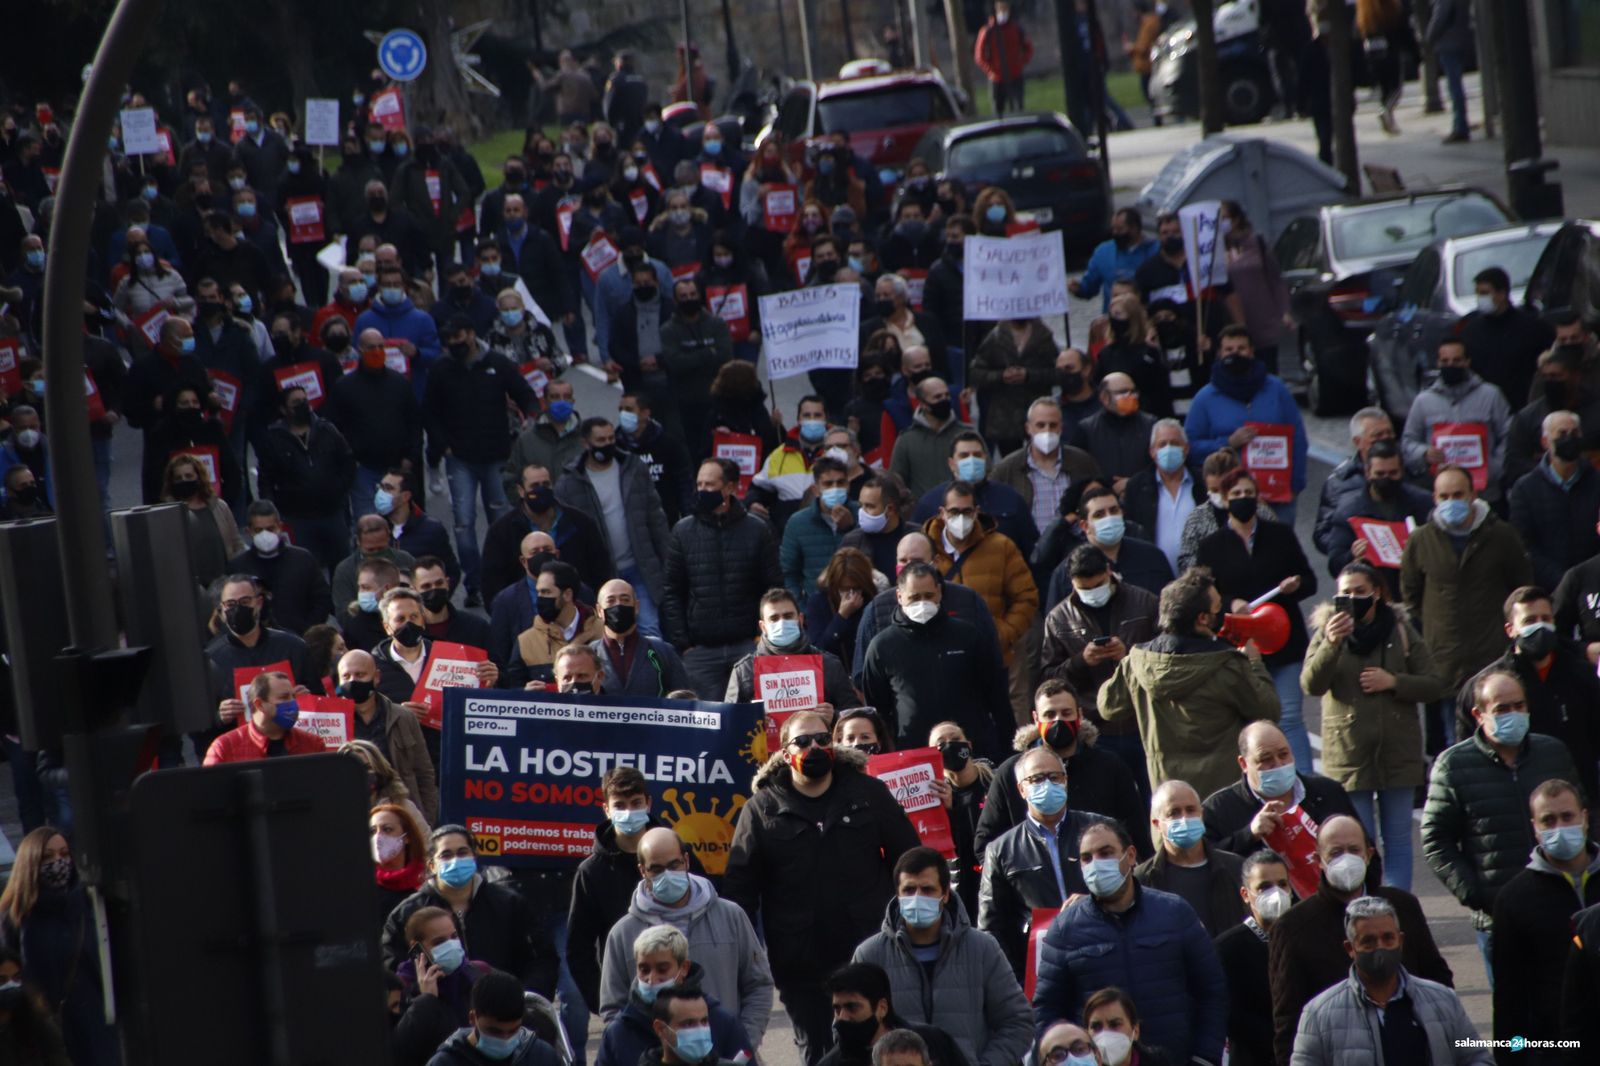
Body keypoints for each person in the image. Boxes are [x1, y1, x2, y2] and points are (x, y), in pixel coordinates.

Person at [723, 710, 921, 1065]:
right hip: (801, 963)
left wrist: (906, 921)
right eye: (802, 741)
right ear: (785, 753)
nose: (814, 746)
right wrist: (745, 956)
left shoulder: (868, 793)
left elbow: (908, 860)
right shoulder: (761, 809)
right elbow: (741, 891)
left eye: (821, 739)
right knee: (817, 1053)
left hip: (869, 949)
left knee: (879, 1047)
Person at [1424, 668, 1582, 984]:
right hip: (1501, 920)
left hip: (1565, 911)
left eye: (1519, 706)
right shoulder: (1454, 766)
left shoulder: (1552, 753)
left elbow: (1583, 812)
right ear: (1479, 715)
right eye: (1502, 709)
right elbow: (1435, 839)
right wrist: (1476, 893)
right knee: (1518, 1023)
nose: (1513, 715)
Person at [1033, 817, 1227, 1064]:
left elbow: (1212, 989)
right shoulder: (1065, 928)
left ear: (1131, 855)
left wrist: (1205, 1056)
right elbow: (1047, 1009)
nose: (1096, 864)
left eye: (1106, 853)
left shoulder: (1175, 913)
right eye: (1086, 858)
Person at [1268, 813, 1455, 1062]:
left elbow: (1436, 977)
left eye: (1353, 850)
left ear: (1368, 855)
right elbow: (1287, 1019)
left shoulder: (1403, 906)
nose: (1346, 859)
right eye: (1335, 853)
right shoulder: (1293, 928)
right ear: (1318, 860)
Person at [1098, 567, 1279, 801]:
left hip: (1170, 801)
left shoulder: (1137, 661)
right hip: (1226, 802)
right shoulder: (1228, 664)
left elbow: (1108, 706)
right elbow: (1269, 711)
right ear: (1203, 619)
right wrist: (1255, 663)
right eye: (1217, 608)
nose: (1223, 612)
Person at [852, 846, 1033, 1066]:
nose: (917, 898)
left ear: (945, 894)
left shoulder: (982, 949)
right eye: (909, 890)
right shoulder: (870, 955)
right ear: (897, 895)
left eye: (927, 889)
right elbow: (849, 1031)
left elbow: (1017, 1022)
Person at [1400, 466, 1533, 752]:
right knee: (1455, 742)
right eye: (1444, 496)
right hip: (1446, 661)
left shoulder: (1501, 536)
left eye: (1458, 494)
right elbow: (1411, 594)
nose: (1451, 502)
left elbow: (1521, 587)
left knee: (1502, 737)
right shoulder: (1421, 540)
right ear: (1434, 498)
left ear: (1474, 494)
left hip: (1492, 657)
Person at [597, 829, 773, 1043]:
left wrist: (743, 1041)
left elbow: (758, 984)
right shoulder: (623, 934)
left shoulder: (731, 916)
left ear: (686, 861)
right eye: (657, 869)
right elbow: (613, 1008)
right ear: (643, 871)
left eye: (674, 865)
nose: (667, 875)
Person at [1196, 468, 1318, 770]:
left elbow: (1309, 580)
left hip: (1283, 640)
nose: (1243, 499)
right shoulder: (1212, 545)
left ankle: (1303, 782)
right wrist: (1229, 602)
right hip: (1238, 646)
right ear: (1224, 500)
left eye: (1249, 493)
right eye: (1236, 494)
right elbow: (1200, 594)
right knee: (1247, 720)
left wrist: (1295, 585)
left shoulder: (1280, 535)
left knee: (1289, 716)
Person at [425, 316, 538, 606]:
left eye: (459, 335)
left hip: (498, 456)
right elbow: (430, 411)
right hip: (460, 458)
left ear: (472, 333)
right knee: (463, 523)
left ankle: (508, 579)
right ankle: (474, 584)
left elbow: (525, 394)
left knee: (502, 522)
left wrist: (531, 419)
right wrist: (443, 446)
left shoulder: (498, 363)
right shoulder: (440, 369)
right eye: (449, 339)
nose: (455, 343)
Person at [1298, 898, 1493, 1065]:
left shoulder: (1443, 1000)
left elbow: (1476, 1057)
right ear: (1350, 948)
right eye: (1368, 941)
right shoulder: (1319, 1014)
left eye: (1388, 938)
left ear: (1400, 941)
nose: (1380, 947)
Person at [975, 676, 1150, 860]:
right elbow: (986, 844)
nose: (1058, 721)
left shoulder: (1110, 767)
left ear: (1080, 715)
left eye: (1066, 713)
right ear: (1035, 718)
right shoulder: (1011, 772)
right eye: (1049, 715)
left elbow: (1136, 835)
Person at [1488, 781, 1599, 1057]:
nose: (1559, 828)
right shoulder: (1514, 899)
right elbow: (1510, 995)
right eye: (1548, 820)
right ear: (1535, 828)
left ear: (1585, 818)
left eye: (1567, 817)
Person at [976, 746, 1107, 978]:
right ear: (1021, 789)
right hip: (1041, 972)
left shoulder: (1102, 831)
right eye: (1036, 779)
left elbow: (1135, 889)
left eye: (1055, 777)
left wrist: (1095, 902)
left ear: (1065, 781)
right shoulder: (1000, 850)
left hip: (1104, 954)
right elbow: (992, 928)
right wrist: (1016, 979)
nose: (1047, 784)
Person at [384, 826, 557, 998]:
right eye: (446, 855)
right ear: (432, 865)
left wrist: (522, 1000)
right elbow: (391, 968)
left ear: (474, 858)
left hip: (500, 1012)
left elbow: (541, 960)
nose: (455, 860)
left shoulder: (509, 904)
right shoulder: (407, 914)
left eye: (462, 852)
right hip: (436, 1015)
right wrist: (421, 997)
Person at [861, 562, 1012, 758]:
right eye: (914, 598)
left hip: (972, 750)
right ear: (899, 596)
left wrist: (1009, 749)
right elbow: (878, 710)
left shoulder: (968, 636)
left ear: (939, 593)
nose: (922, 603)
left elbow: (996, 696)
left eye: (928, 596)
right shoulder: (882, 646)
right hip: (915, 756)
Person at [663, 458, 785, 699]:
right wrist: (684, 644)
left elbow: (773, 586)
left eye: (709, 484)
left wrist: (762, 637)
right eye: (699, 484)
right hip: (700, 652)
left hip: (749, 646)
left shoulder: (757, 529)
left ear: (730, 488)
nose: (702, 490)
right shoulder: (682, 531)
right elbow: (672, 591)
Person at [0, 828, 121, 1065]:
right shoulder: (16, 918)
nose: (58, 862)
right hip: (42, 1036)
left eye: (64, 854)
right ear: (31, 862)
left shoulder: (90, 904)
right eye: (48, 857)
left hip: (97, 1031)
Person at [926, 479, 1039, 718]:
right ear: (942, 513)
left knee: (1010, 718)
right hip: (945, 657)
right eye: (954, 511)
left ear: (977, 512)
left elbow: (1026, 597)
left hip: (1000, 655)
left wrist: (1004, 633)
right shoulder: (925, 548)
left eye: (967, 511)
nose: (961, 518)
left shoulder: (1001, 546)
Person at [555, 417, 672, 638]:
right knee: (610, 635)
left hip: (640, 567)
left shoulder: (633, 469)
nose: (607, 444)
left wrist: (666, 559)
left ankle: (653, 671)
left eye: (611, 438)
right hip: (601, 575)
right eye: (600, 440)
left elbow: (655, 517)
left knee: (649, 630)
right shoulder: (570, 484)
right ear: (586, 443)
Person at [1183, 326, 1307, 526]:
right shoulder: (1205, 398)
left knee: (1279, 553)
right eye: (1229, 350)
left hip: (1276, 496)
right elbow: (1190, 448)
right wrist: (1228, 442)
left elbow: (1298, 439)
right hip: (1229, 498)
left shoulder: (1277, 389)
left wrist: (1296, 484)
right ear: (1219, 354)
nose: (1235, 354)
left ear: (1251, 351)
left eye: (1241, 349)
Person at [851, 533, 1006, 692]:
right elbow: (862, 676)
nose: (909, 567)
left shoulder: (969, 601)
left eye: (917, 561)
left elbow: (992, 664)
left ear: (936, 562)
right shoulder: (877, 609)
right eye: (903, 561)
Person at [596, 928, 756, 1066]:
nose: (652, 979)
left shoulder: (722, 1022)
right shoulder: (619, 1033)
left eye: (662, 969)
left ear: (684, 968)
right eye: (644, 970)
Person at [1201, 721, 1358, 861]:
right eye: (1265, 759)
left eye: (1283, 754)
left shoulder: (1328, 792)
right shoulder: (1218, 809)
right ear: (1244, 764)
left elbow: (1365, 850)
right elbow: (1204, 861)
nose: (1278, 764)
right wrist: (1249, 835)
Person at [324, 328, 424, 524]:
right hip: (363, 469)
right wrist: (349, 460)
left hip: (396, 468)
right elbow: (333, 427)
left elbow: (414, 422)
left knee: (400, 521)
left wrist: (411, 457)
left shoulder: (399, 383)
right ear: (360, 349)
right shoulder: (345, 386)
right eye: (371, 347)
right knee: (368, 522)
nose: (377, 351)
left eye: (381, 347)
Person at [253, 384, 355, 573]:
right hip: (297, 517)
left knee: (342, 568)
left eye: (304, 400)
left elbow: (347, 462)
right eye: (296, 403)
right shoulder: (274, 439)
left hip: (331, 512)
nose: (302, 406)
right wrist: (273, 509)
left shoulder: (326, 429)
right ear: (284, 409)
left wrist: (338, 489)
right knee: (307, 569)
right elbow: (266, 478)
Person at [1401, 339, 1514, 504]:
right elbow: (1408, 442)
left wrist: (1492, 469)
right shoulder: (1423, 401)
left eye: (1457, 360)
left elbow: (1508, 436)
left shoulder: (1491, 395)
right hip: (1443, 495)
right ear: (1438, 363)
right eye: (1445, 361)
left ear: (1467, 362)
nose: (1451, 365)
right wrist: (1424, 453)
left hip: (1486, 494)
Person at [484, 463, 611, 607]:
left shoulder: (580, 523)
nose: (541, 489)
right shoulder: (502, 531)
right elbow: (492, 584)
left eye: (546, 484)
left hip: (578, 612)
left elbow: (601, 569)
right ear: (521, 490)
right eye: (534, 486)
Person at [1132, 778, 1245, 937]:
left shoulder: (1236, 867)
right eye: (1174, 813)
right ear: (1157, 824)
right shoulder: (1142, 879)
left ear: (1201, 815)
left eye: (1191, 810)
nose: (1184, 819)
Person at [1212, 850, 1293, 1066]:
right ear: (1245, 894)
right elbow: (1231, 1013)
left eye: (1282, 884)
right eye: (1264, 887)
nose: (1276, 893)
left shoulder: (1305, 936)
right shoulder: (1228, 948)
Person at [1319, 439, 1432, 595]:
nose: (1386, 479)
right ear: (1368, 473)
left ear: (1402, 471)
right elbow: (1335, 565)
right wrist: (1351, 556)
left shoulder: (1423, 504)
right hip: (1367, 598)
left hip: (1415, 593)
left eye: (1393, 473)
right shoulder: (1349, 510)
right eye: (1380, 474)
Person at [338, 649, 438, 823]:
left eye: (360, 675)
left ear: (376, 677)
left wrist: (425, 818)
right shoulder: (333, 722)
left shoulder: (403, 718)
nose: (353, 681)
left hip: (401, 813)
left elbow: (424, 773)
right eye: (346, 677)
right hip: (350, 816)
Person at [204, 573, 314, 727]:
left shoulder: (293, 647)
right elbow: (199, 725)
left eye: (245, 601)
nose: (238, 609)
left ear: (259, 603)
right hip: (240, 747)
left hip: (291, 743)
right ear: (221, 609)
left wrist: (307, 700)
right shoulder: (210, 659)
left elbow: (321, 702)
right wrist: (220, 716)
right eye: (230, 604)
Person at [910, 432, 1039, 559]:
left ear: (985, 459)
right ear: (951, 463)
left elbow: (1030, 550)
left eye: (977, 455)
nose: (971, 460)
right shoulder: (930, 503)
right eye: (964, 456)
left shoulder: (1010, 499)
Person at [726, 588, 858, 710]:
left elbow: (854, 714)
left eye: (788, 616)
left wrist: (833, 716)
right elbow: (729, 724)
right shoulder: (745, 671)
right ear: (763, 627)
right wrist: (750, 720)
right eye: (774, 618)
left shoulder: (829, 664)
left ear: (800, 620)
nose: (782, 623)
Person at [1509, 411, 1600, 589]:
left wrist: (1587, 576)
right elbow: (1524, 545)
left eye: (1574, 433)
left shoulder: (1597, 483)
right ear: (1545, 442)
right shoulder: (1525, 489)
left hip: (1593, 585)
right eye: (1562, 434)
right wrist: (1563, 580)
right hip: (1547, 588)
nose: (1569, 439)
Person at [991, 398, 1103, 541]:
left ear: (1061, 428)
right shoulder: (1007, 469)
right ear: (1028, 428)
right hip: (1029, 552)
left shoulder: (1083, 463)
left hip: (1075, 549)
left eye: (1053, 425)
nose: (1047, 431)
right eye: (1040, 425)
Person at [1046, 484, 1174, 609]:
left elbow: (1171, 607)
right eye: (1099, 515)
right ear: (1084, 526)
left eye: (1114, 511)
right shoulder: (1067, 572)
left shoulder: (1152, 557)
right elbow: (1057, 623)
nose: (1109, 518)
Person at [819, 963, 970, 1066]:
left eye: (852, 1007)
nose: (843, 1017)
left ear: (882, 1007)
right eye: (837, 1009)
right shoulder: (832, 1063)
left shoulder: (933, 1041)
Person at [228, 501, 334, 636]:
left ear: (280, 527)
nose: (265, 535)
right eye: (259, 530)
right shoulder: (238, 567)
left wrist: (308, 630)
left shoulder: (303, 559)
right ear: (249, 531)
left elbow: (322, 599)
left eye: (270, 529)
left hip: (301, 638)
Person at [426, 968, 564, 1066]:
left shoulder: (542, 1056)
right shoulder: (445, 1062)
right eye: (494, 1031)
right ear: (473, 1018)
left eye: (513, 1030)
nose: (505, 1039)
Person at [1215, 202, 1291, 375]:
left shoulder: (1256, 243)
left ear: (1235, 220)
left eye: (1224, 219)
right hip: (1235, 325)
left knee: (1268, 371)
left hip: (1264, 321)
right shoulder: (1215, 251)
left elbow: (1275, 279)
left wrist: (1284, 310)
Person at [969, 317, 1056, 457]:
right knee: (1011, 464)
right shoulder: (995, 337)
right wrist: (1001, 376)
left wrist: (1029, 375)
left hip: (1037, 411)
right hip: (1005, 416)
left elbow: (1056, 373)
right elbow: (976, 373)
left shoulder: (1043, 336)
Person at [590, 578, 690, 697]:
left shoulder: (662, 652)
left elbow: (684, 701)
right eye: (611, 601)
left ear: (636, 607)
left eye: (625, 600)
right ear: (599, 610)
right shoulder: (589, 655)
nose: (618, 605)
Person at [203, 670, 325, 764]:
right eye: (284, 697)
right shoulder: (224, 748)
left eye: (294, 697)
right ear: (259, 704)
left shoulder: (313, 744)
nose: (293, 703)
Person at [805, 547, 884, 678]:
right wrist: (841, 617)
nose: (851, 594)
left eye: (856, 588)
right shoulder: (819, 602)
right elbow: (819, 650)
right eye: (845, 589)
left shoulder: (872, 600)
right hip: (836, 680)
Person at [618, 391, 695, 524]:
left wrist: (688, 515)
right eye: (621, 410)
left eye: (629, 410)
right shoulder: (616, 445)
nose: (623, 414)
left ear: (645, 413)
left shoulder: (667, 443)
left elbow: (683, 481)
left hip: (666, 516)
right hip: (629, 519)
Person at [890, 377, 974, 499]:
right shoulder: (906, 440)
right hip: (923, 513)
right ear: (923, 404)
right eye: (937, 397)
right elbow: (896, 480)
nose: (944, 400)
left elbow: (986, 472)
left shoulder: (967, 434)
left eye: (947, 395)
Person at [1072, 209, 1158, 313]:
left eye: (1120, 229)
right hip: (1113, 318)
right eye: (1113, 229)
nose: (1115, 233)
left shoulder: (1156, 249)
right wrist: (1078, 289)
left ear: (1135, 228)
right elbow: (1089, 287)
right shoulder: (1103, 252)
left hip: (1148, 315)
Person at [1080, 373, 1157, 484]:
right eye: (1123, 392)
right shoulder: (1087, 429)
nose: (1130, 396)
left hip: (1144, 493)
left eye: (1133, 392)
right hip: (1103, 497)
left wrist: (1133, 484)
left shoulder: (1151, 424)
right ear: (1104, 397)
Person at [839, 475, 914, 577]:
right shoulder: (852, 542)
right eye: (861, 505)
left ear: (890, 509)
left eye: (869, 506)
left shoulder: (916, 537)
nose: (862, 512)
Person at [370, 802, 430, 925]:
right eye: (372, 831)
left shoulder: (425, 888)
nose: (378, 837)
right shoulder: (360, 887)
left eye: (387, 829)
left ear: (407, 837)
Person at [973, 1, 1033, 114]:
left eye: (1005, 8)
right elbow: (979, 56)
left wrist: (1020, 63)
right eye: (1001, 8)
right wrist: (991, 70)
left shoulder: (1016, 29)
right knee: (998, 111)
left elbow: (1028, 48)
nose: (1003, 11)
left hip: (1015, 76)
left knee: (1018, 109)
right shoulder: (987, 31)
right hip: (997, 79)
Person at [1427, 0, 1474, 143]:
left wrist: (1429, 36)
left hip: (1448, 42)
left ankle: (1460, 126)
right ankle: (1461, 124)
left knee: (1454, 86)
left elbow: (1440, 17)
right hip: (1459, 39)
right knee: (1456, 84)